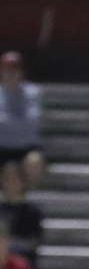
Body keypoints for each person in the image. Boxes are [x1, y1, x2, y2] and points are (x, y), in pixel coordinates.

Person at [0, 52, 45, 187]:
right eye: (8, 70)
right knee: (9, 170)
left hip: (27, 147)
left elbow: (33, 120)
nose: (11, 74)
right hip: (2, 147)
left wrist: (6, 121)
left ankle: (30, 197)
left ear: (21, 72)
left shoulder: (33, 92)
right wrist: (19, 121)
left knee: (34, 161)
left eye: (15, 70)